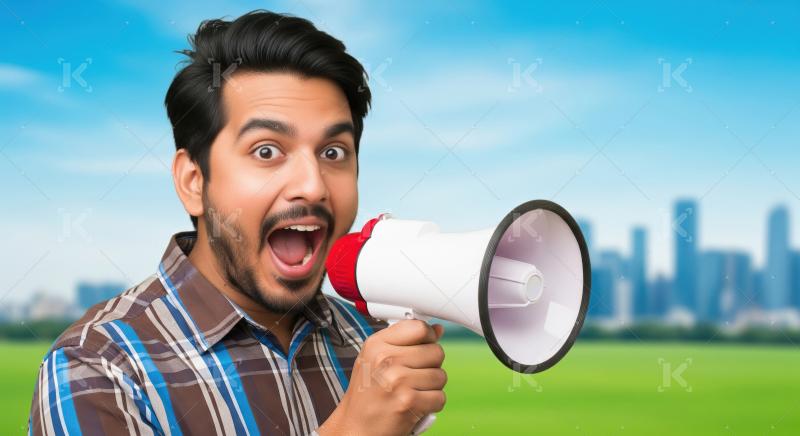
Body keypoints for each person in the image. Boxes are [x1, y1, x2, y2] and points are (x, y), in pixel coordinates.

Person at [28, 10, 446, 435]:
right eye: (266, 151)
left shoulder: (368, 339)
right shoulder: (98, 369)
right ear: (194, 181)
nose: (313, 185)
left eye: (333, 152)